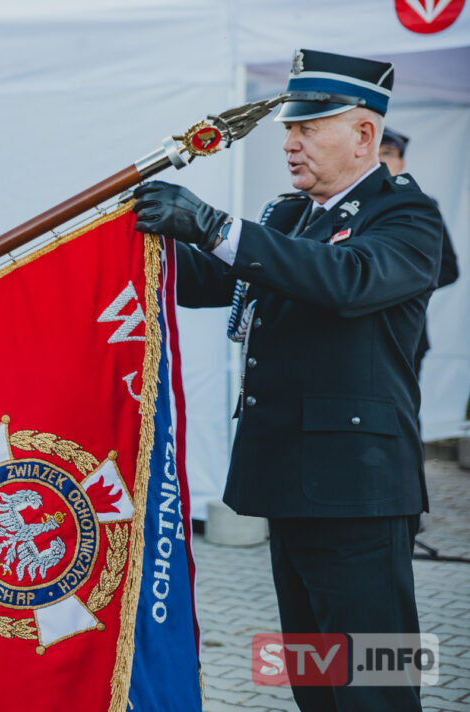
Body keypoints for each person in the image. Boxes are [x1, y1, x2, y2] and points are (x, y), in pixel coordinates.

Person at [131, 49, 442, 711]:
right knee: (317, 681)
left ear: (364, 135)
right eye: (288, 127)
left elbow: (344, 280)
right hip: (294, 482)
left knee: (376, 686)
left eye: (309, 126)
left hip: (361, 493)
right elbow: (211, 277)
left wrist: (212, 224)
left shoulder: (409, 219)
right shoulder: (294, 216)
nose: (290, 141)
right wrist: (139, 240)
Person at [378, 127, 459, 376]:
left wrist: (400, 283)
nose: (381, 160)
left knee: (405, 412)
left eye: (388, 153)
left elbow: (448, 268)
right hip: (351, 335)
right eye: (376, 153)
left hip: (405, 332)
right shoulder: (345, 204)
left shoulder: (422, 208)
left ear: (401, 162)